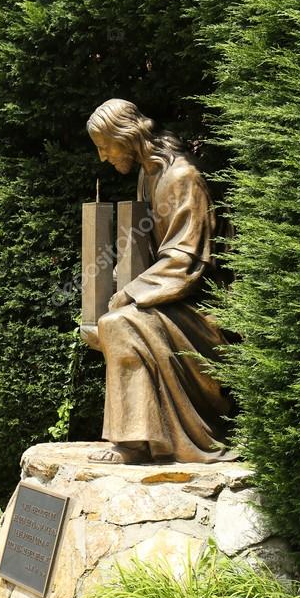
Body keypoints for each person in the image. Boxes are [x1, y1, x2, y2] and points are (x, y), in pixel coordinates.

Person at [84, 98, 235, 464]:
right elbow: (148, 250)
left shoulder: (182, 177)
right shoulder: (149, 174)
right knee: (111, 322)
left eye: (105, 146)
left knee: (119, 324)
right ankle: (138, 438)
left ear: (126, 135)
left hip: (201, 309)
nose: (104, 157)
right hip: (170, 300)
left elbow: (184, 262)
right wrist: (117, 282)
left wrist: (130, 295)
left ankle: (133, 443)